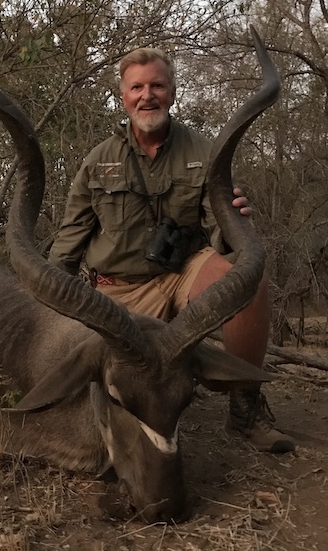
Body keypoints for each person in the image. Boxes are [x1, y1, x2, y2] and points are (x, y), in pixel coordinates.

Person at [49, 46, 295, 454]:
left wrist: (237, 223)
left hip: (181, 274)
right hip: (116, 291)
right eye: (137, 87)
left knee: (249, 281)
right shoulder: (97, 162)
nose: (148, 95)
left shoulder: (205, 153)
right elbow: (67, 245)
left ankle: (246, 409)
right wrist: (44, 299)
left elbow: (221, 232)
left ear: (173, 92)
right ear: (123, 97)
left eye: (157, 85)